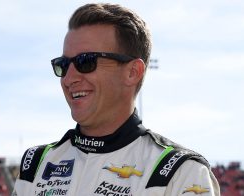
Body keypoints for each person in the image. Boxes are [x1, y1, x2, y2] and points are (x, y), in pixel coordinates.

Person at [12, 3, 220, 196]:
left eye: (87, 62)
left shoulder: (180, 172)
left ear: (132, 72)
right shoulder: (36, 164)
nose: (69, 78)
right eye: (63, 64)